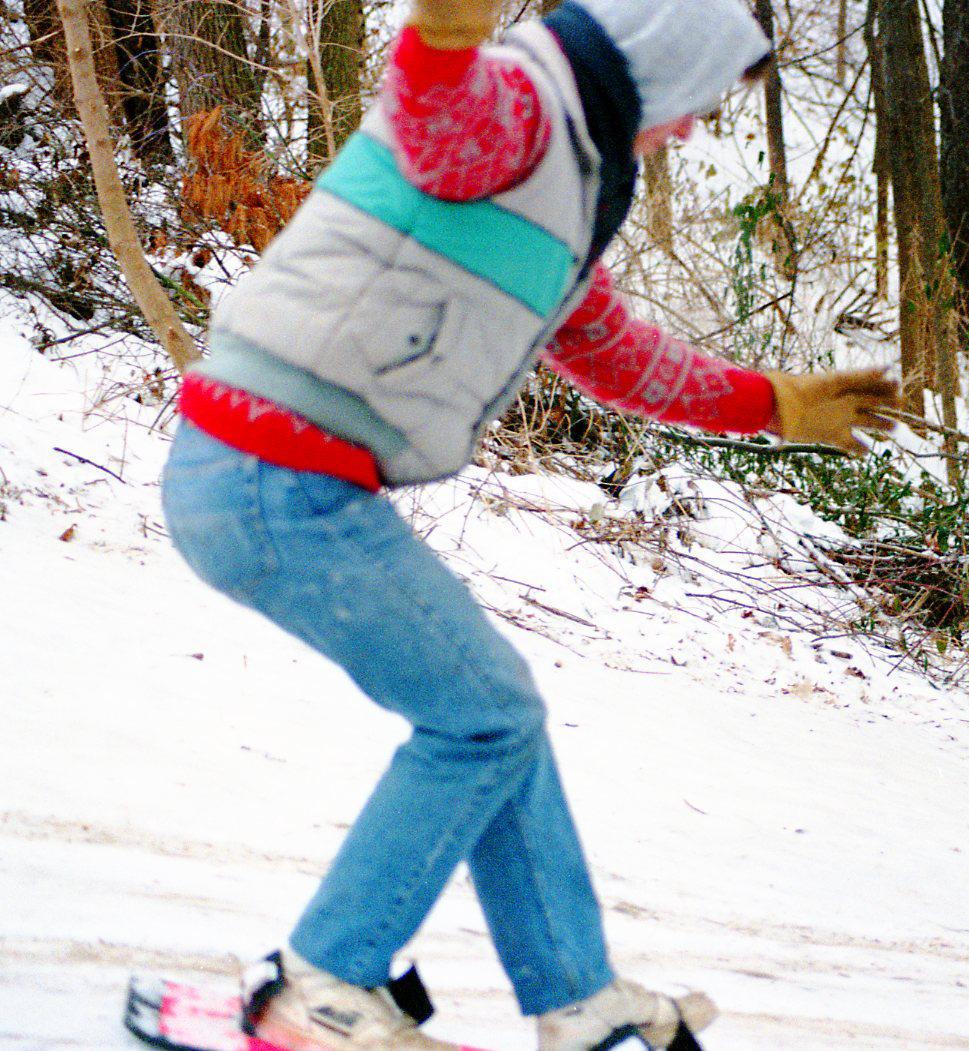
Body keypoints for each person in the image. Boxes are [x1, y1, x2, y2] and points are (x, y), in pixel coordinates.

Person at [159, 0, 900, 1047]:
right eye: (694, 100)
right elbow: (435, 104)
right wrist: (444, 32)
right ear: (651, 69)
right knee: (483, 717)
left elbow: (611, 351)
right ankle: (320, 986)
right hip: (268, 475)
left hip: (277, 477)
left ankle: (574, 994)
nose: (691, 128)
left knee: (496, 713)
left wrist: (770, 404)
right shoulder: (513, 112)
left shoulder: (559, 185)